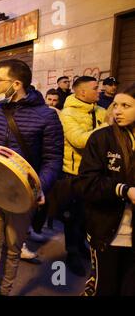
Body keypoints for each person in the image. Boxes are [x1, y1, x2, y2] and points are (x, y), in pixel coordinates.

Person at [0, 59, 64, 296]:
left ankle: (4, 291)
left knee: (12, 250)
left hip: (22, 197)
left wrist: (40, 186)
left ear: (17, 83)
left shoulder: (46, 116)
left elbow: (53, 159)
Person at [77, 83, 135, 296]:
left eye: (126, 106)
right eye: (116, 105)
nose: (118, 111)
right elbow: (87, 183)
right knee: (105, 288)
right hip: (107, 230)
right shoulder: (102, 138)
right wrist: (123, 189)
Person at [59, 76, 107, 276]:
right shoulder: (68, 113)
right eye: (95, 88)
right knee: (72, 218)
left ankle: (81, 247)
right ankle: (71, 254)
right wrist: (106, 129)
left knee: (87, 216)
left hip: (95, 173)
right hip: (74, 174)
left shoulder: (100, 110)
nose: (100, 91)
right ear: (81, 93)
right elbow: (78, 140)